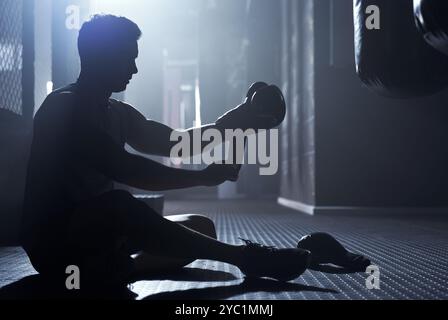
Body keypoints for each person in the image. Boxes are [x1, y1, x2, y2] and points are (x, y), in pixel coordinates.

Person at [20, 14, 312, 287]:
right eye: (127, 59)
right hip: (56, 244)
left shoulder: (118, 111)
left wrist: (234, 122)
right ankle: (245, 258)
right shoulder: (63, 107)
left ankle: (122, 268)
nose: (134, 69)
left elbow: (176, 143)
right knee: (120, 203)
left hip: (100, 234)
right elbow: (127, 169)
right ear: (102, 56)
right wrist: (201, 178)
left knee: (201, 228)